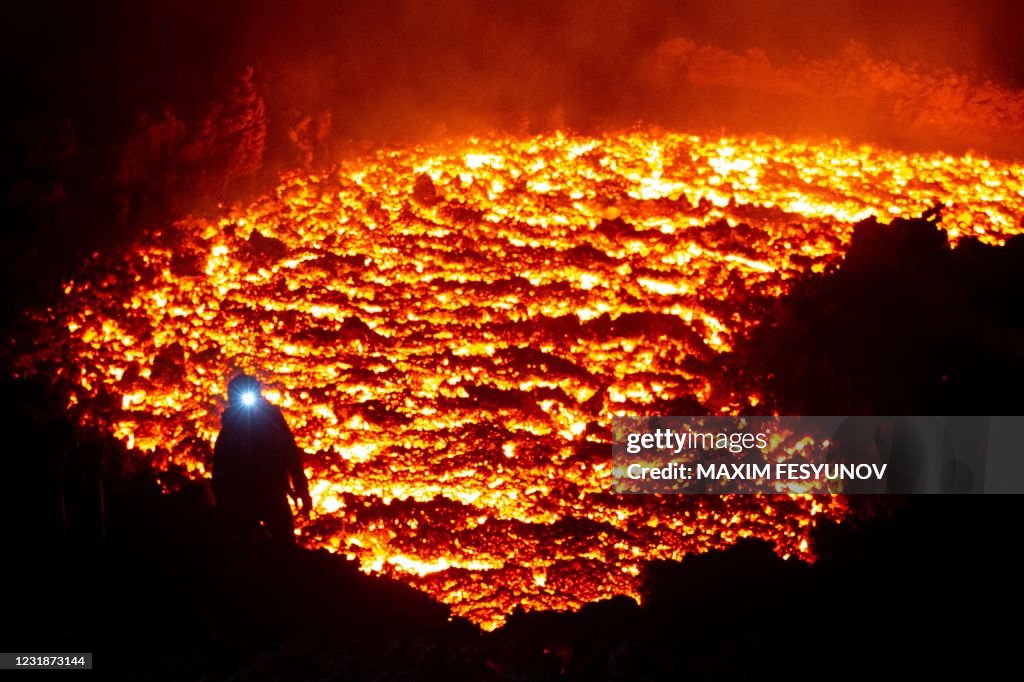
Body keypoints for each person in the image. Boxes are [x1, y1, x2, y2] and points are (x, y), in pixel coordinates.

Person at [212, 374, 311, 549]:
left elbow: (290, 453)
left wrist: (302, 490)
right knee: (249, 546)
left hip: (269, 492)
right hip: (249, 495)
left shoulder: (271, 420)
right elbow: (221, 466)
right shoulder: (232, 427)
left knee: (282, 544)